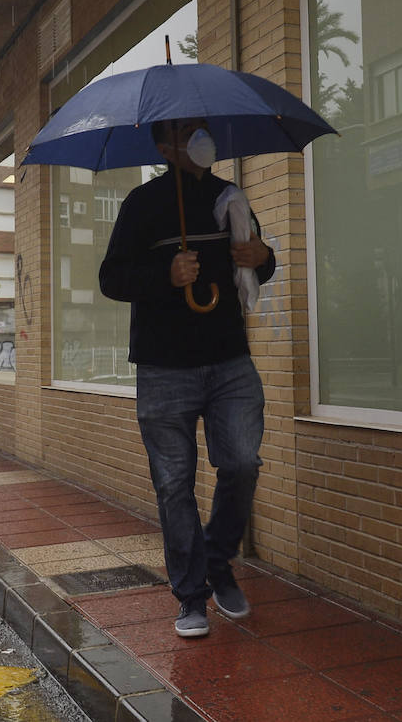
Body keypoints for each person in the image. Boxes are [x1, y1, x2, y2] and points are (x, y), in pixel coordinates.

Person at [98, 116, 275, 638]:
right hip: (163, 367)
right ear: (163, 146)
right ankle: (191, 596)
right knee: (174, 484)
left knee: (242, 462)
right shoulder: (141, 204)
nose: (199, 140)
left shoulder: (230, 198)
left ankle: (218, 561)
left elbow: (257, 263)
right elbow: (111, 277)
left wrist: (263, 257)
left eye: (201, 129)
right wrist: (165, 276)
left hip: (229, 361)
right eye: (184, 133)